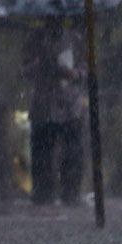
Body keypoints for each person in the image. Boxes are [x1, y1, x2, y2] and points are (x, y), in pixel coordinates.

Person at [22, 17, 87, 206]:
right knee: (42, 152)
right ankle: (43, 193)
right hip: (43, 104)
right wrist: (40, 64)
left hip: (69, 105)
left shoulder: (75, 39)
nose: (54, 22)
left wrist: (74, 74)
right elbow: (25, 70)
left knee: (73, 153)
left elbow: (84, 68)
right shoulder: (35, 39)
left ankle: (70, 193)